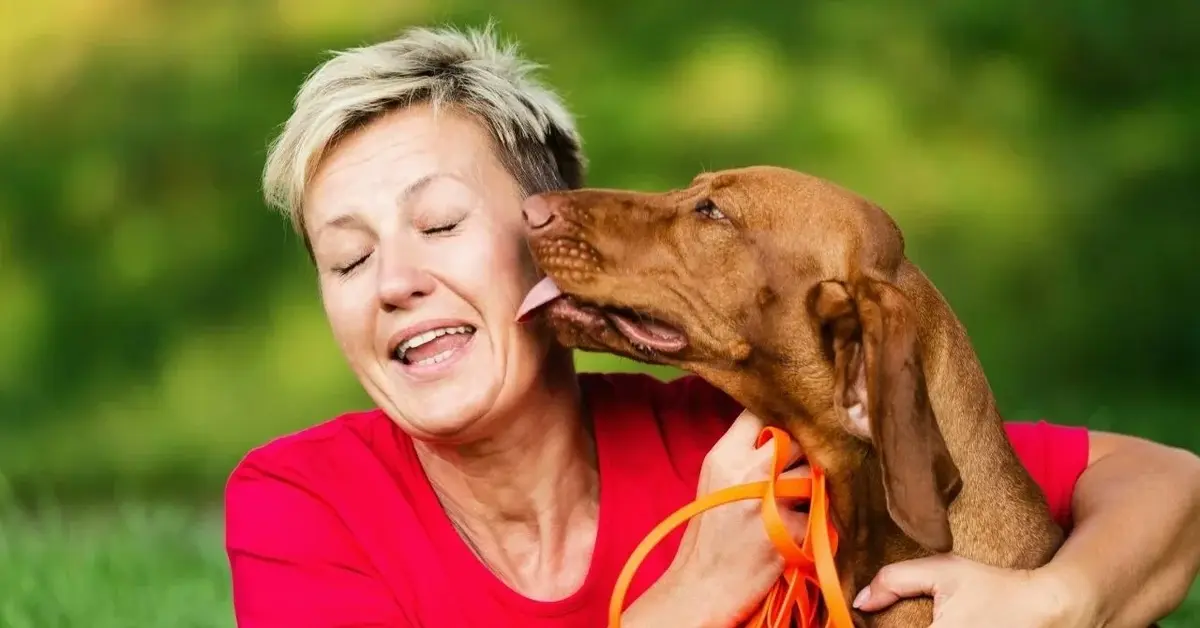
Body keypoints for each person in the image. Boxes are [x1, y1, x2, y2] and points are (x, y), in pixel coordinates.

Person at [225, 23, 1200, 627]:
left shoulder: (741, 432)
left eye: (439, 224)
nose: (393, 279)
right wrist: (696, 589)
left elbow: (1169, 481)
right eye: (346, 257)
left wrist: (1055, 603)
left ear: (538, 235)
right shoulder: (303, 501)